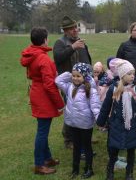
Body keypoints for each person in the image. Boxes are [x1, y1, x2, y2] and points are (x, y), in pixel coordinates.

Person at [20, 27, 65, 175]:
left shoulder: (34, 54)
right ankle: (39, 164)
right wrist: (60, 104)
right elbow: (49, 85)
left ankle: (47, 158)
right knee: (42, 132)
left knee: (42, 129)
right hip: (43, 97)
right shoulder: (43, 58)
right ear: (44, 40)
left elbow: (40, 75)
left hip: (37, 93)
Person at [96, 60, 136, 180]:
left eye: (133, 74)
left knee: (131, 151)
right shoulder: (113, 89)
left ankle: (129, 173)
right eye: (129, 74)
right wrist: (100, 122)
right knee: (113, 150)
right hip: (116, 125)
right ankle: (110, 172)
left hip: (132, 126)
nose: (132, 76)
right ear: (122, 75)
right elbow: (106, 107)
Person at [55, 63, 101, 179]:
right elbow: (58, 81)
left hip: (85, 125)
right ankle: (75, 169)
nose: (75, 78)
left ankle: (89, 168)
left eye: (78, 76)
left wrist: (99, 119)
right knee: (76, 147)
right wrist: (70, 73)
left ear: (85, 76)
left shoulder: (90, 90)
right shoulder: (69, 87)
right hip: (73, 123)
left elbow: (95, 107)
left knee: (87, 147)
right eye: (74, 76)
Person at [53, 15, 92, 149]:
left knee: (84, 109)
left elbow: (86, 60)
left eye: (76, 27)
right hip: (69, 83)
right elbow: (58, 58)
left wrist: (91, 74)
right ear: (65, 30)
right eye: (71, 28)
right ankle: (69, 139)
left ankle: (82, 137)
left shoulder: (80, 41)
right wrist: (73, 47)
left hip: (83, 82)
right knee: (72, 111)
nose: (75, 30)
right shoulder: (60, 43)